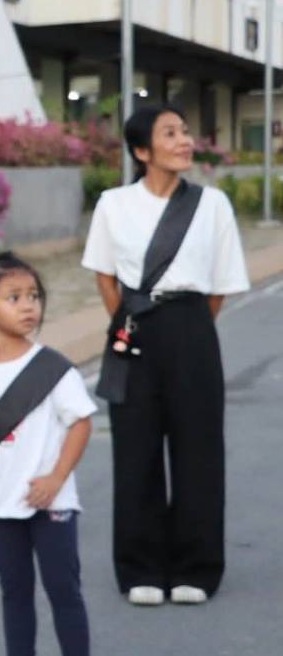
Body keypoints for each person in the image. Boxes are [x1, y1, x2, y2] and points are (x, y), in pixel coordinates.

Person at [82, 103, 248, 607]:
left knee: (199, 449)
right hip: (134, 328)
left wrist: (187, 326)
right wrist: (131, 322)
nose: (184, 140)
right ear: (141, 150)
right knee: (136, 450)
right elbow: (105, 274)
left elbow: (219, 285)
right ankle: (141, 567)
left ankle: (198, 567)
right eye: (170, 133)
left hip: (193, 327)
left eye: (184, 130)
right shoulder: (114, 203)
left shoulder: (212, 204)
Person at [0, 254, 115, 656]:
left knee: (65, 588)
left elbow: (81, 422)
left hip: (53, 502)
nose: (29, 307)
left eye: (34, 297)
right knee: (13, 589)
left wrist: (57, 478)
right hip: (1, 505)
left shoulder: (53, 368)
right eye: (15, 298)